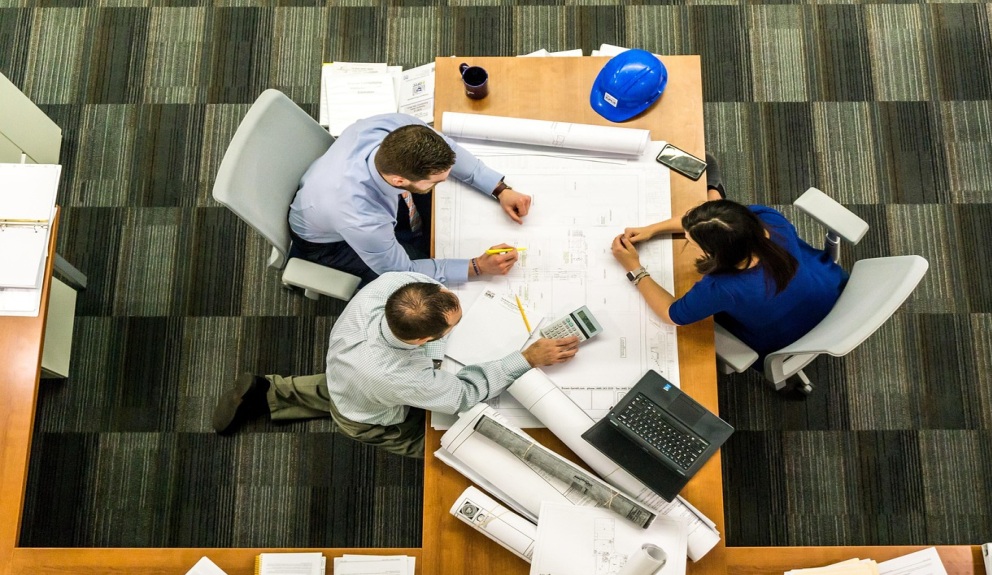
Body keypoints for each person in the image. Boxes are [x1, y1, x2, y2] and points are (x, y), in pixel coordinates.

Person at [212, 271, 580, 458]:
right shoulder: (398, 376)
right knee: (443, 442)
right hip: (368, 415)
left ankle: (270, 391)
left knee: (344, 387)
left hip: (348, 369)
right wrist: (526, 358)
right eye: (454, 325)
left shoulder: (395, 285)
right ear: (423, 341)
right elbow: (464, 395)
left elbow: (431, 291)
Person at [609, 160, 846, 371]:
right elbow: (712, 222)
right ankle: (714, 190)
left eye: (691, 242)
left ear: (716, 254)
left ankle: (714, 189)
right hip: (829, 289)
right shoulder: (767, 219)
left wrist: (635, 268)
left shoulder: (723, 288)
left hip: (787, 336)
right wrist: (652, 229)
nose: (687, 242)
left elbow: (672, 315)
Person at [289, 113, 534, 286]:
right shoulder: (362, 218)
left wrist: (499, 188)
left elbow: (450, 150)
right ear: (398, 181)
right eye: (436, 181)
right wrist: (477, 267)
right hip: (329, 243)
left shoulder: (397, 127)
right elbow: (400, 270)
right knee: (415, 266)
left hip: (333, 193)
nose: (444, 182)